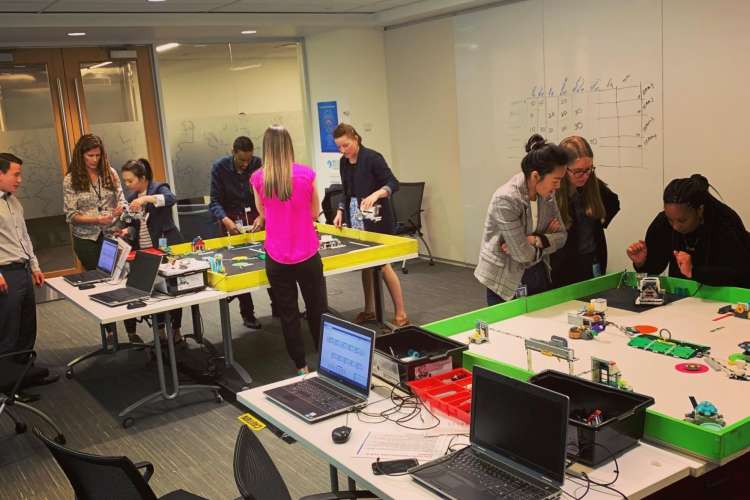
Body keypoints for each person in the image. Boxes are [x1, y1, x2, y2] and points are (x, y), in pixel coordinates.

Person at [250, 125, 324, 375]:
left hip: (276, 257)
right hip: (308, 254)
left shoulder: (258, 178)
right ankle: (326, 361)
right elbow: (315, 213)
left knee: (288, 314)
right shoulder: (306, 174)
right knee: (317, 310)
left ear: (266, 148)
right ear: (289, 145)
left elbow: (262, 214)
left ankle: (301, 366)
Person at [475, 134, 569, 305]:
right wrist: (546, 239)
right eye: (555, 180)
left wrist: (535, 239)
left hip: (537, 273)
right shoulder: (506, 199)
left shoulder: (547, 195)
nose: (558, 186)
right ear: (535, 176)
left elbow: (562, 237)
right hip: (505, 280)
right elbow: (522, 255)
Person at [332, 123, 408, 327]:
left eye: (345, 145)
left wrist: (377, 194)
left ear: (355, 138)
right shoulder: (344, 162)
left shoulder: (373, 158)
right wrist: (340, 210)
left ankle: (401, 313)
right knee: (365, 265)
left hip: (378, 219)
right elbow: (345, 191)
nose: (343, 151)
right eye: (339, 147)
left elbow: (393, 183)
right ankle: (369, 309)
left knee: (383, 266)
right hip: (357, 217)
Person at [626, 174, 750, 288]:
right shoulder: (662, 223)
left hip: (725, 296)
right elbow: (654, 269)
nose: (675, 226)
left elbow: (739, 274)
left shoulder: (725, 223)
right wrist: (642, 263)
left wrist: (694, 271)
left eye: (682, 220)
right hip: (682, 294)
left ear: (700, 210)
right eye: (670, 219)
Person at [63, 134, 127, 342]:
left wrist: (120, 211)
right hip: (87, 238)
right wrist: (96, 220)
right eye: (90, 155)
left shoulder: (111, 173)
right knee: (100, 282)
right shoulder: (71, 179)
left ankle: (131, 330)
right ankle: (109, 331)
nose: (94, 160)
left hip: (111, 235)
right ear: (81, 155)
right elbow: (71, 216)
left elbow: (123, 202)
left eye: (98, 155)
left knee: (120, 280)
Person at [209, 136, 271, 329]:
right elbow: (214, 201)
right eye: (242, 160)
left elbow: (266, 195)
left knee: (269, 258)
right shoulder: (219, 167)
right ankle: (248, 314)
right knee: (239, 265)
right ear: (233, 152)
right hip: (230, 218)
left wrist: (262, 216)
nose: (246, 164)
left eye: (248, 160)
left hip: (255, 214)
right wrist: (225, 220)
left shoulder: (258, 163)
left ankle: (278, 305)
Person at [119, 159, 184, 344]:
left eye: (130, 180)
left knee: (172, 288)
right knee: (155, 293)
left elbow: (171, 199)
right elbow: (132, 226)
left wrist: (146, 199)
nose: (127, 184)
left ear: (142, 178)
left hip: (166, 247)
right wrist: (126, 230)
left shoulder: (158, 188)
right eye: (126, 181)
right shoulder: (132, 199)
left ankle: (176, 329)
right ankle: (161, 332)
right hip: (145, 252)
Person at [551, 136, 620, 288]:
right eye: (577, 171)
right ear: (563, 169)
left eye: (589, 169)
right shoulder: (552, 192)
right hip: (561, 268)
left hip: (592, 261)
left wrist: (600, 222)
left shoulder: (593, 184)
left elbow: (614, 202)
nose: (585, 175)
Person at [0, 153, 45, 358]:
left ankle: (25, 374)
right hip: (5, 275)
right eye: (15, 174)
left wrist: (34, 266)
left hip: (23, 270)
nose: (19, 180)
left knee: (27, 327)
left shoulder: (14, 202)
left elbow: (24, 237)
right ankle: (7, 383)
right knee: (8, 331)